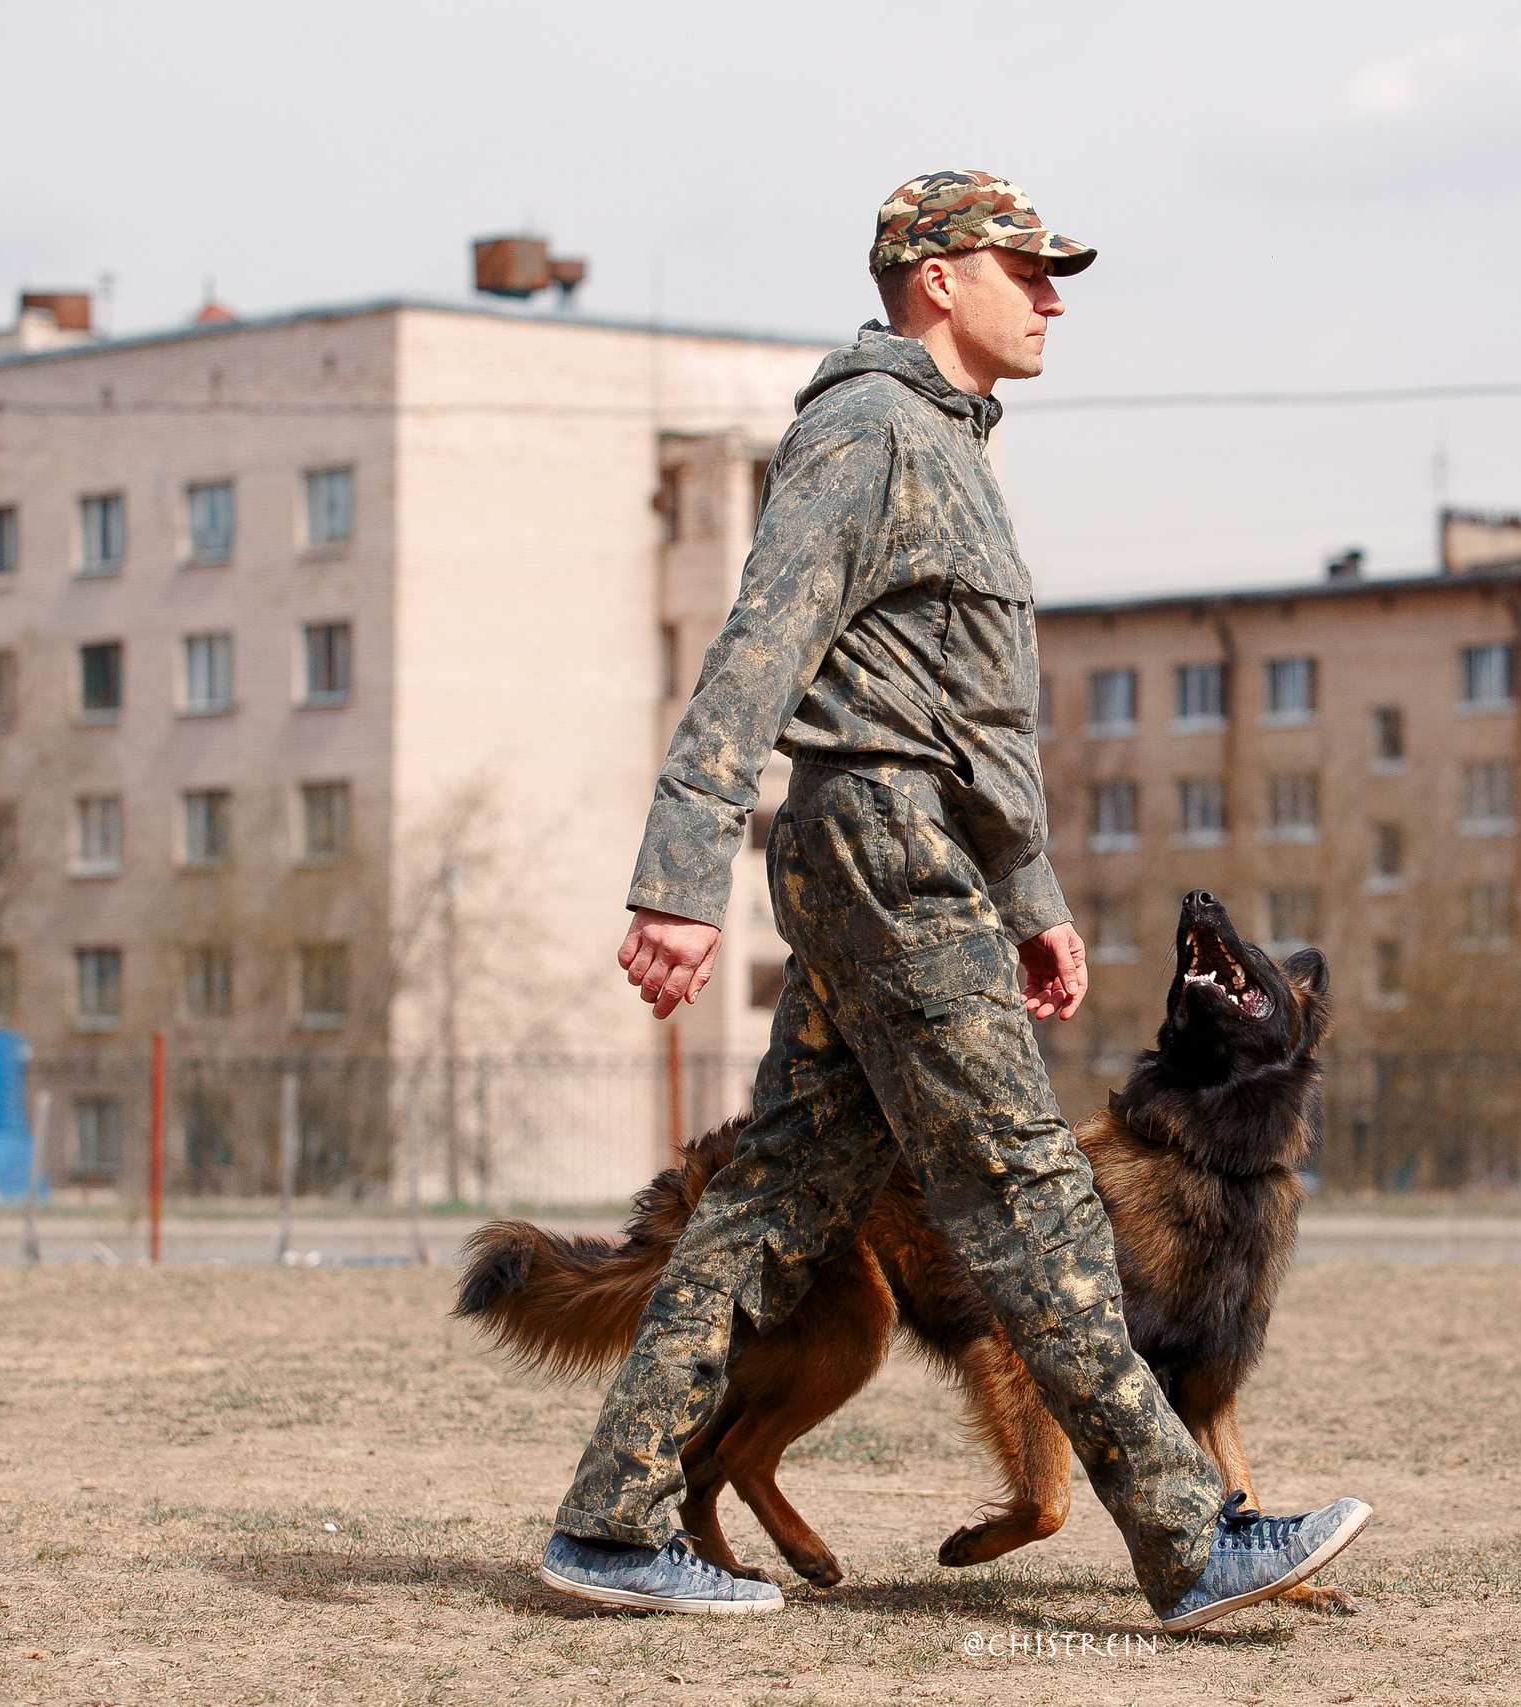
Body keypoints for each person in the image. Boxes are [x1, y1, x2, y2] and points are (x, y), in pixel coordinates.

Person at [535, 170, 1371, 1629]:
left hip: (911, 843)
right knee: (1035, 1191)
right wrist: (679, 874)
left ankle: (609, 1526)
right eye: (1027, 270)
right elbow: (758, 647)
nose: (1051, 300)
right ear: (938, 277)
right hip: (884, 845)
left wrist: (1030, 889)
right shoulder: (869, 431)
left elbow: (967, 711)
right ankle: (1193, 1542)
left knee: (777, 1196)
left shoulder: (945, 445)